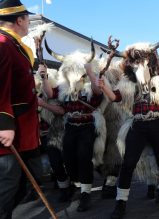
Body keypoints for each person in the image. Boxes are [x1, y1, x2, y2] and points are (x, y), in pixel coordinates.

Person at [97, 33, 159, 219]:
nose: (141, 63)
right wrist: (103, 86)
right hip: (138, 123)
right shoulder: (127, 81)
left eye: (145, 59)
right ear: (131, 62)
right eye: (137, 60)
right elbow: (115, 97)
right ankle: (120, 203)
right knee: (128, 164)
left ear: (151, 59)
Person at [40, 45, 105, 212]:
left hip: (87, 126)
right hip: (70, 126)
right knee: (68, 158)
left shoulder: (91, 86)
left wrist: (90, 72)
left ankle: (85, 195)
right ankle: (76, 184)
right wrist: (44, 77)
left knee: (84, 158)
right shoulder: (64, 87)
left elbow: (99, 94)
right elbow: (49, 93)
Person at [0, 1, 41, 218]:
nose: (28, 22)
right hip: (9, 133)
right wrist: (3, 124)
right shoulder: (3, 44)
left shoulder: (14, 45)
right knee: (6, 187)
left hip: (23, 130)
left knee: (26, 183)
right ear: (19, 20)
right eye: (27, 18)